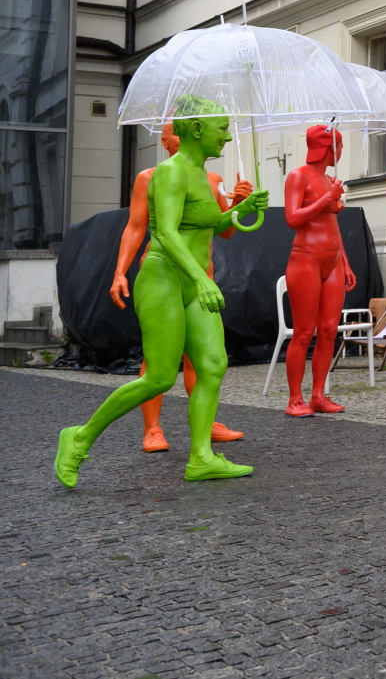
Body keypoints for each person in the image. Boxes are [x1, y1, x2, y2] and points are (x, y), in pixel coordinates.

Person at [56, 95, 271, 487]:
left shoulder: (204, 175)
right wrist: (202, 278)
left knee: (212, 365)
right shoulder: (170, 173)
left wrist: (240, 209)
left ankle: (202, 457)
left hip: (191, 281)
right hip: (163, 278)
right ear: (195, 129)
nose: (226, 135)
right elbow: (166, 232)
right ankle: (79, 438)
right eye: (221, 127)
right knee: (158, 377)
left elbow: (206, 225)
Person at [110, 121, 252, 452]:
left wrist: (238, 205)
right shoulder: (150, 177)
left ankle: (205, 425)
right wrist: (120, 271)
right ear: (166, 141)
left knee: (202, 358)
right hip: (165, 273)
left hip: (202, 274)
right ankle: (152, 429)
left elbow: (225, 230)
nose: (178, 137)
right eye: (172, 132)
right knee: (158, 358)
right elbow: (135, 227)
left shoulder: (213, 180)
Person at [281, 125, 356, 417]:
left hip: (333, 260)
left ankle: (318, 395)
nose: (341, 151)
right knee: (304, 331)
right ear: (328, 147)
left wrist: (345, 263)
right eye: (339, 145)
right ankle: (294, 399)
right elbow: (292, 217)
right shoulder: (298, 176)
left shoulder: (328, 179)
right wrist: (327, 199)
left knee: (328, 330)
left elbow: (332, 223)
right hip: (306, 257)